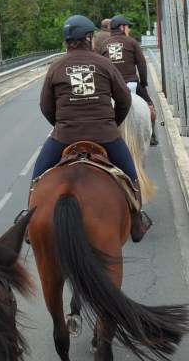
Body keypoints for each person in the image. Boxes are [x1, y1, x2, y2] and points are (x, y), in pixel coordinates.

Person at [28, 14, 151, 242]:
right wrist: (112, 124)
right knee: (131, 175)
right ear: (87, 37)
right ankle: (137, 221)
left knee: (37, 178)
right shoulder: (104, 64)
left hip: (64, 138)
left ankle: (29, 221)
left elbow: (45, 107)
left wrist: (63, 126)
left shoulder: (56, 67)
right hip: (105, 137)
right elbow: (125, 100)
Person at [102, 14, 159, 146]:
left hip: (111, 87)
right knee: (151, 109)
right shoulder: (132, 42)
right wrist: (144, 83)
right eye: (128, 27)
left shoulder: (104, 44)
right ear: (121, 27)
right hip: (131, 83)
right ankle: (152, 137)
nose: (129, 30)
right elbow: (142, 64)